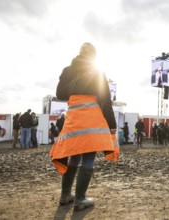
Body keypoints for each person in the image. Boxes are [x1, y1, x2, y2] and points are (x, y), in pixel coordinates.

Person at [49, 42, 118, 211]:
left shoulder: (68, 70)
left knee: (74, 156)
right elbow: (105, 100)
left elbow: (59, 94)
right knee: (88, 157)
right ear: (94, 56)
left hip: (73, 118)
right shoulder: (97, 72)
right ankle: (80, 199)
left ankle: (65, 196)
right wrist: (112, 124)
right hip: (92, 119)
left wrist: (74, 87)